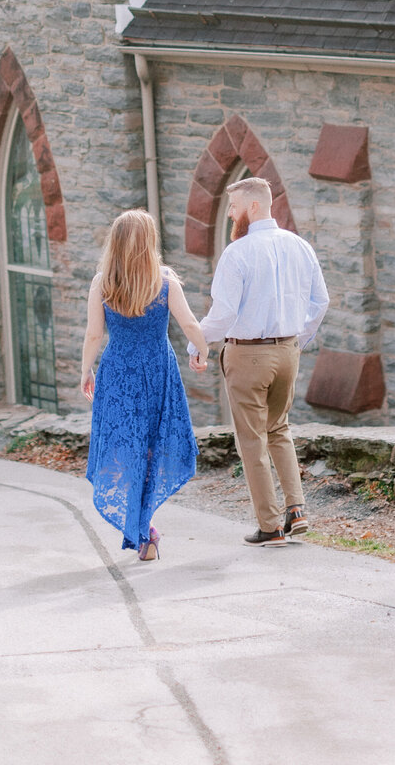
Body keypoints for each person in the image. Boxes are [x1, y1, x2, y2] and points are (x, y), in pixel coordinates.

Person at [192, 176, 330, 547]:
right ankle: (297, 509)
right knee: (279, 429)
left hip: (248, 354)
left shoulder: (237, 253)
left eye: (234, 207)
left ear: (253, 207)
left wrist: (197, 344)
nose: (231, 214)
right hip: (288, 352)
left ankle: (270, 526)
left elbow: (222, 314)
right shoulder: (300, 246)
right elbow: (321, 303)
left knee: (252, 440)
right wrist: (296, 340)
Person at [81, 209, 209, 561]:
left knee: (128, 446)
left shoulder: (102, 282)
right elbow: (190, 324)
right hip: (156, 371)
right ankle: (145, 528)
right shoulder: (165, 281)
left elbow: (94, 334)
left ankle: (143, 531)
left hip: (119, 372)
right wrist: (204, 349)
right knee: (152, 444)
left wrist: (85, 371)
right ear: (149, 241)